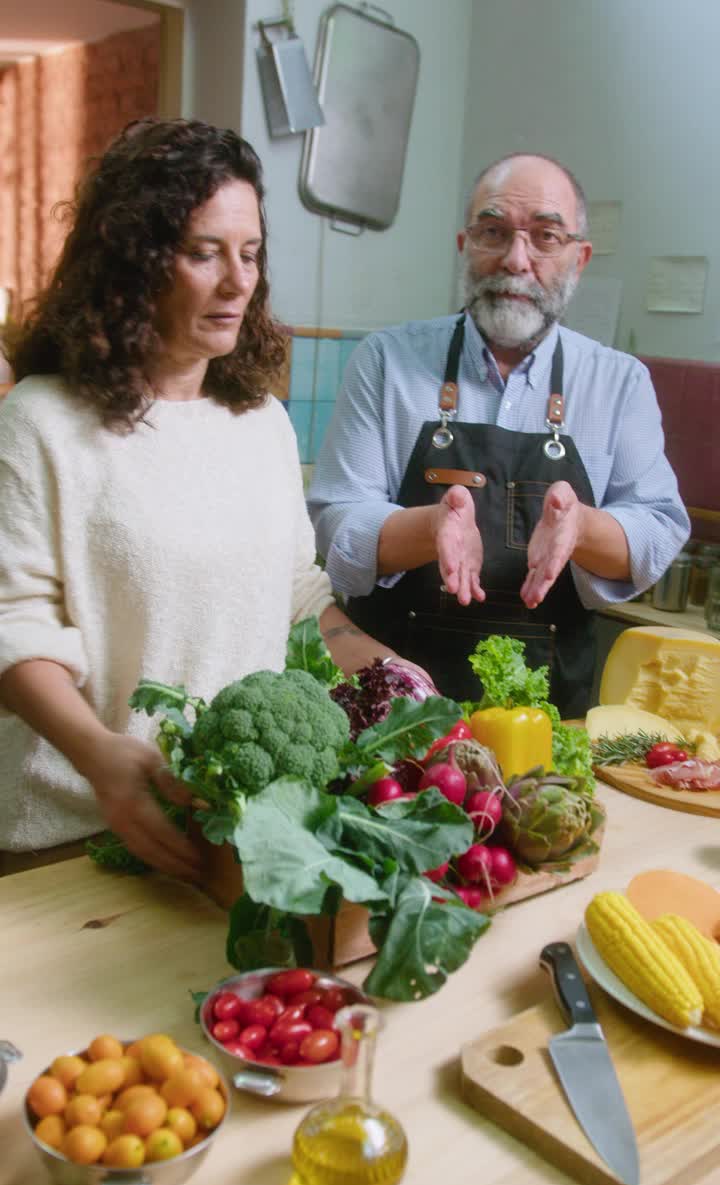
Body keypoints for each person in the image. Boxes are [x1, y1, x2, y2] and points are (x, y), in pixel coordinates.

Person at [0, 118, 416, 876]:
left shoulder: (259, 422)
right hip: (70, 834)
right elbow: (14, 628)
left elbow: (296, 595)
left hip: (227, 831)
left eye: (250, 253)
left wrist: (387, 672)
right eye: (204, 253)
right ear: (133, 263)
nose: (238, 281)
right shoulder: (41, 421)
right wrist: (100, 756)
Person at [308, 152, 690, 716]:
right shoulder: (387, 361)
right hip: (390, 711)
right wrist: (430, 524)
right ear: (465, 247)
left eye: (545, 237)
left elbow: (657, 528)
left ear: (579, 259)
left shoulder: (618, 383)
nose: (516, 259)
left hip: (546, 719)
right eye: (494, 232)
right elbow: (335, 524)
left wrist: (581, 526)